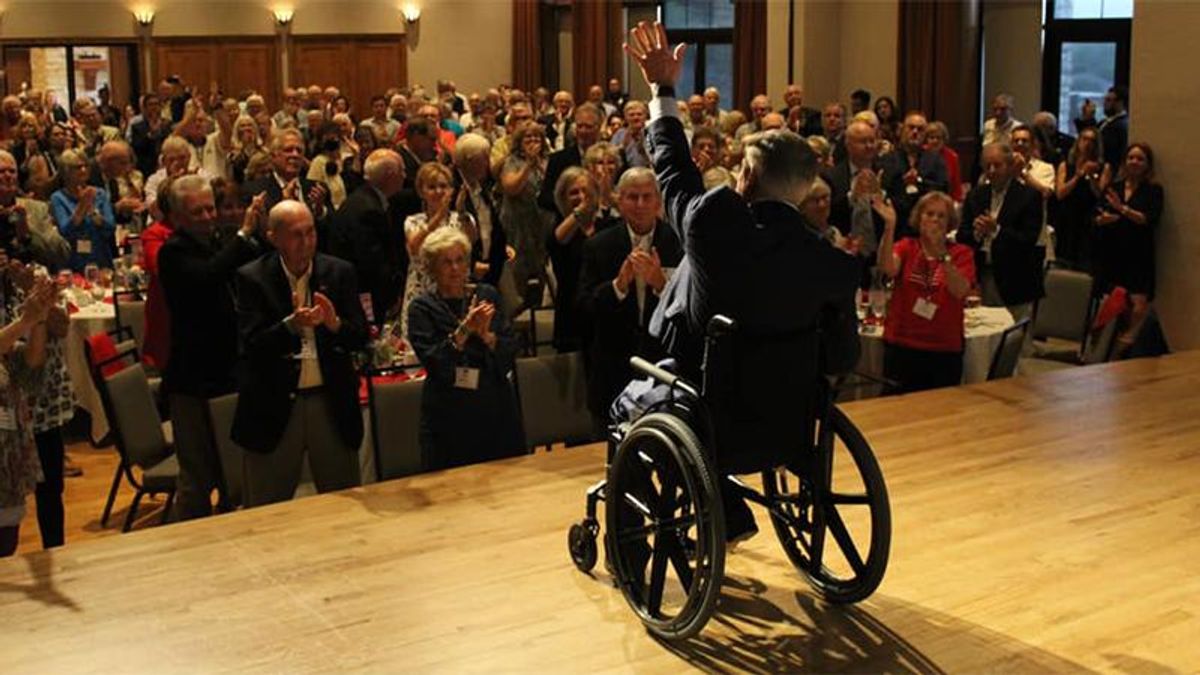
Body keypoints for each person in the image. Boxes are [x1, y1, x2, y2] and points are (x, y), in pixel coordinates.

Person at [626, 21, 861, 542]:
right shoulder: (827, 259)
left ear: (746, 179)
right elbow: (844, 356)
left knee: (630, 402)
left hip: (708, 407)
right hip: (788, 415)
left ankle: (641, 535)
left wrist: (662, 90)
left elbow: (671, 169)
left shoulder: (715, 225)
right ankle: (727, 505)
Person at [232, 200, 368, 507]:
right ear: (273, 237)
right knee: (267, 507)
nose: (306, 242)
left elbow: (360, 337)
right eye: (296, 235)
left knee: (343, 502)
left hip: (330, 401)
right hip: (275, 403)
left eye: (311, 233)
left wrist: (334, 324)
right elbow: (250, 346)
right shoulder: (252, 278)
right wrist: (290, 326)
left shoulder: (339, 272)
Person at [159, 175, 266, 519]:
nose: (207, 217)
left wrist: (258, 231)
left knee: (233, 471)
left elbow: (256, 259)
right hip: (192, 380)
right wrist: (242, 234)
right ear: (177, 217)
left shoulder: (219, 239)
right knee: (196, 477)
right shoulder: (172, 252)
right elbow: (207, 277)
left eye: (210, 209)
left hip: (228, 372)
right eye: (197, 212)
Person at [577, 167, 682, 433]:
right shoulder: (598, 246)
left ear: (658, 201)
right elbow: (583, 308)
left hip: (663, 370)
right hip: (613, 370)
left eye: (647, 197)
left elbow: (692, 309)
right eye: (632, 197)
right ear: (619, 201)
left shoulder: (678, 244)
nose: (640, 204)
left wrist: (661, 284)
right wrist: (618, 286)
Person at [407, 228, 523, 470]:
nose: (455, 268)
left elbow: (510, 347)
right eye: (446, 262)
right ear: (431, 268)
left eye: (460, 260)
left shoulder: (487, 294)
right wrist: (464, 330)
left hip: (495, 408)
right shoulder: (421, 308)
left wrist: (487, 336)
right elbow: (434, 361)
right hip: (449, 416)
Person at [877, 191, 975, 393]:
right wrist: (889, 227)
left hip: (943, 348)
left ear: (950, 223)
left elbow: (959, 291)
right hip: (903, 344)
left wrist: (942, 255)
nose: (935, 220)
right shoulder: (907, 247)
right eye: (929, 214)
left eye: (941, 216)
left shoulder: (961, 253)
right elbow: (887, 267)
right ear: (919, 218)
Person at [0, 275, 56, 557]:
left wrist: (39, 319)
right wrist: (24, 321)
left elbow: (32, 363)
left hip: (6, 466)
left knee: (6, 547)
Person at [957, 143, 1044, 320]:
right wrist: (977, 233)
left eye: (997, 165)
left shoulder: (1029, 197)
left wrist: (996, 230)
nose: (992, 170)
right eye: (987, 166)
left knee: (1016, 337)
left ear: (1011, 166)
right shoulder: (975, 195)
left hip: (1016, 278)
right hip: (983, 277)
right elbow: (961, 236)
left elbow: (1028, 239)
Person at [1093, 142, 1163, 354]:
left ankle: (1123, 351)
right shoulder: (1113, 187)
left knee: (1138, 303)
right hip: (1113, 251)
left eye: (1140, 158)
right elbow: (1097, 215)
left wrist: (1122, 209)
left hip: (1138, 252)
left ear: (1147, 164)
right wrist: (1102, 219)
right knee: (1112, 302)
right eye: (1131, 157)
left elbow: (1147, 219)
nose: (1134, 162)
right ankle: (1103, 349)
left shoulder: (1153, 190)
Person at [330, 149, 408, 327]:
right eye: (402, 171)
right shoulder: (369, 210)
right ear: (390, 175)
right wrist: (391, 295)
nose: (405, 176)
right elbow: (373, 264)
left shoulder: (364, 199)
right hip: (362, 293)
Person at [400, 162, 476, 340]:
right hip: (422, 289)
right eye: (432, 187)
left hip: (455, 289)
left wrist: (462, 210)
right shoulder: (413, 221)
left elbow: (472, 241)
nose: (439, 191)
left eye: (444, 186)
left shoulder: (462, 218)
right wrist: (439, 215)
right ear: (421, 191)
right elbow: (414, 247)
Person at [548, 167, 616, 353]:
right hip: (571, 313)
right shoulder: (559, 226)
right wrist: (580, 212)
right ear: (563, 197)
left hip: (603, 311)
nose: (581, 196)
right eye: (574, 192)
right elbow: (558, 241)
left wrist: (609, 196)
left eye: (586, 191)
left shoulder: (607, 225)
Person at [499, 121, 553, 308]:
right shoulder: (511, 161)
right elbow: (511, 188)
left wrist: (540, 166)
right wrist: (529, 166)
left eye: (536, 137)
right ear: (519, 141)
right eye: (527, 137)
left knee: (544, 270)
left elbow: (555, 187)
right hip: (518, 224)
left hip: (543, 224)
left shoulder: (549, 159)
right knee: (518, 271)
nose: (532, 140)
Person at [0, 150, 71, 269]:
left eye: (12, 171)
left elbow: (63, 254)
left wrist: (28, 233)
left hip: (34, 283)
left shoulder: (37, 209)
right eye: (1, 171)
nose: (8, 176)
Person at [452, 134, 507, 287]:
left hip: (490, 266)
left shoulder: (480, 184)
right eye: (485, 158)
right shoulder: (452, 188)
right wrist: (470, 264)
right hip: (466, 270)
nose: (488, 163)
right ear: (470, 161)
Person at [1054, 127, 1111, 271]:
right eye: (1085, 139)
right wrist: (1078, 175)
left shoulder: (1103, 167)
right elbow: (1060, 193)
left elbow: (1100, 194)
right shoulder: (1066, 165)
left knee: (1085, 261)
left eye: (1092, 141)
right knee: (1064, 259)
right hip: (1067, 217)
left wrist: (1091, 176)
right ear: (1078, 141)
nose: (1088, 144)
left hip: (1088, 217)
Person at [51, 149, 116, 271]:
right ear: (66, 171)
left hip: (100, 258)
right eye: (77, 167)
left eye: (86, 166)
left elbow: (110, 227)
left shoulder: (99, 194)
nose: (83, 170)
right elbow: (65, 231)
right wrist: (82, 206)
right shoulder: (58, 198)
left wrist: (93, 212)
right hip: (74, 260)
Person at [924, 121, 962, 202]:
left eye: (938, 138)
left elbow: (956, 185)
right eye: (931, 138)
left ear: (944, 139)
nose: (935, 141)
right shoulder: (921, 154)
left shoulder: (952, 156)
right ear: (926, 139)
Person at [1098, 86, 1129, 170]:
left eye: (1108, 100)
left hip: (1111, 169)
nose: (1104, 103)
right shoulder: (1103, 122)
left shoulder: (1122, 125)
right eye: (1105, 99)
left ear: (1120, 102)